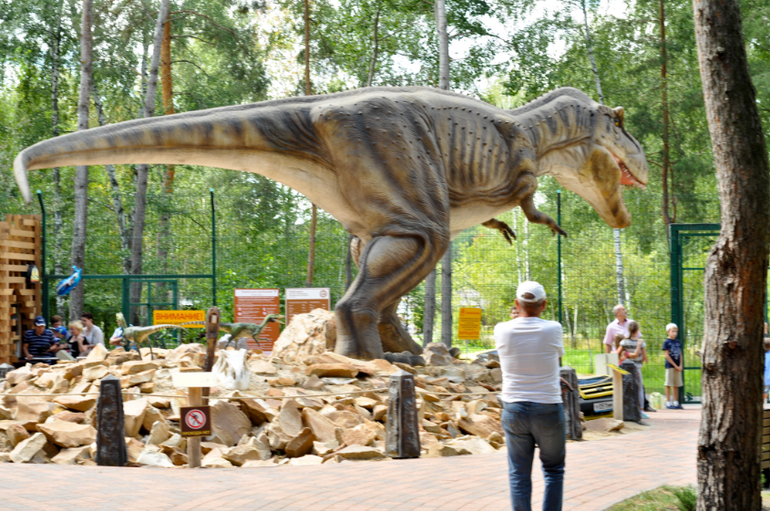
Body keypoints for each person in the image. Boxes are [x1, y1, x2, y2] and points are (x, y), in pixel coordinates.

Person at [495, 281, 565, 511]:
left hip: (514, 408)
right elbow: (552, 360)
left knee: (518, 475)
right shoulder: (554, 328)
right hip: (548, 406)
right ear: (543, 305)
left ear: (516, 304)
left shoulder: (502, 329)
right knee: (554, 471)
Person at [617, 320, 648, 418]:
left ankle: (627, 409)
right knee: (639, 389)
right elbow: (644, 357)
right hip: (637, 368)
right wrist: (641, 361)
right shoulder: (641, 342)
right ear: (637, 330)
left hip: (626, 368)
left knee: (627, 388)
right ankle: (641, 410)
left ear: (628, 330)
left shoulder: (624, 342)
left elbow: (617, 353)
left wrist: (624, 356)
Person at [662, 323, 684, 410]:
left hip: (678, 367)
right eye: (672, 331)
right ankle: (668, 403)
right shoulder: (666, 342)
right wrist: (675, 365)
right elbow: (667, 355)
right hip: (670, 366)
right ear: (668, 332)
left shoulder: (678, 342)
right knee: (668, 384)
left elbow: (680, 354)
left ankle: (676, 402)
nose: (674, 333)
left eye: (676, 332)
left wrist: (680, 365)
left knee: (676, 384)